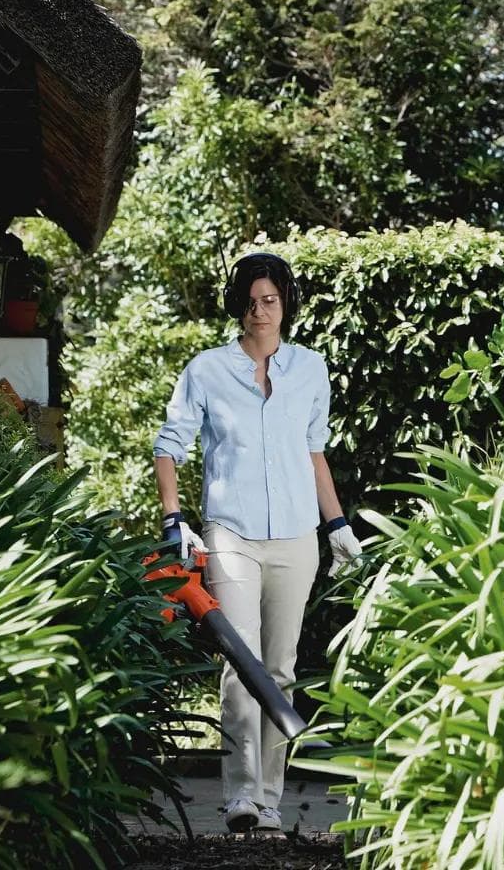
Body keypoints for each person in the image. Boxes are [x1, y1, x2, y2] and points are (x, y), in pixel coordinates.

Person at [152, 250, 364, 833]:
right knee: (241, 661)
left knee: (281, 667)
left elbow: (313, 452)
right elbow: (169, 446)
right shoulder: (207, 369)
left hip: (297, 535)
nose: (260, 311)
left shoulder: (310, 370)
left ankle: (270, 797)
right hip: (231, 533)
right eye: (250, 302)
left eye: (269, 300)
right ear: (237, 307)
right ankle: (241, 795)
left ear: (285, 303)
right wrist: (175, 520)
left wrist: (338, 524)